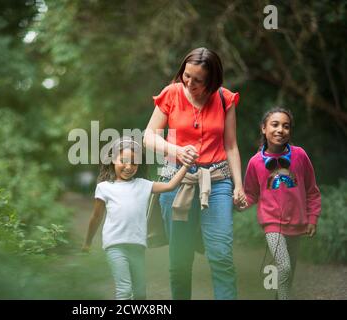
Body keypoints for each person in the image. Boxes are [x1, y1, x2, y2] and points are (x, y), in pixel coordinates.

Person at [143, 47, 245, 300]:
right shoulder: (171, 93)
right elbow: (148, 136)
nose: (189, 83)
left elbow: (231, 145)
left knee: (221, 255)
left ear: (213, 80)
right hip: (176, 182)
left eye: (198, 80)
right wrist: (175, 150)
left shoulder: (225, 99)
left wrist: (239, 187)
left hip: (218, 183)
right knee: (180, 260)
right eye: (186, 76)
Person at [82, 137, 190, 300]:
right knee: (124, 290)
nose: (129, 167)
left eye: (134, 162)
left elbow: (170, 186)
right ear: (113, 160)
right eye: (123, 161)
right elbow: (96, 217)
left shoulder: (143, 184)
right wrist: (87, 243)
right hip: (115, 246)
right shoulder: (104, 188)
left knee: (140, 293)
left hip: (137, 246)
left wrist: (187, 165)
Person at [238, 107, 321, 300]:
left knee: (288, 271)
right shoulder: (255, 162)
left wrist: (312, 218)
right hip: (272, 223)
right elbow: (251, 193)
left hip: (298, 222)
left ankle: (278, 296)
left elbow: (312, 191)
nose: (280, 130)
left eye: (286, 126)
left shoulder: (300, 155)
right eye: (274, 124)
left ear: (290, 131)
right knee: (283, 266)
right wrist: (240, 203)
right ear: (263, 129)